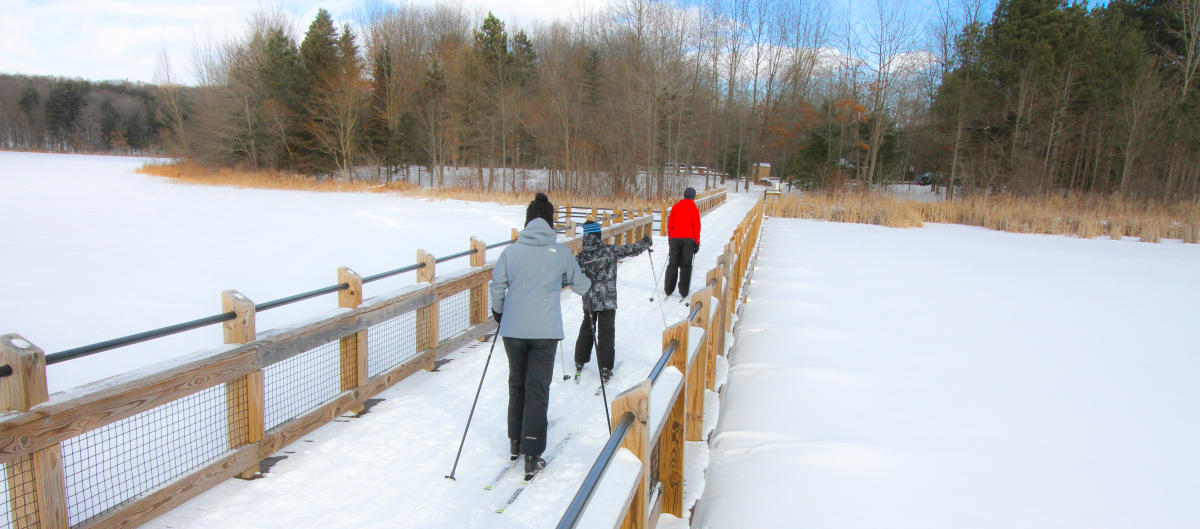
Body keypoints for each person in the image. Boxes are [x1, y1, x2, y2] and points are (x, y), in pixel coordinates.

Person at [490, 192, 591, 477]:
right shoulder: (559, 253)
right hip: (545, 332)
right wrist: (586, 282)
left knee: (516, 384)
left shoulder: (510, 252)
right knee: (537, 388)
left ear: (527, 221)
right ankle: (532, 451)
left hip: (513, 330)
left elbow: (497, 286)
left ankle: (515, 442)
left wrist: (499, 312)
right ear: (550, 222)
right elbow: (581, 285)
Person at [574, 220, 652, 383]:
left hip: (589, 299)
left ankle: (580, 359)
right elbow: (630, 249)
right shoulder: (609, 251)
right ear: (598, 235)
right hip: (607, 299)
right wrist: (644, 243)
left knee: (587, 328)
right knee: (606, 333)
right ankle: (605, 367)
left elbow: (571, 276)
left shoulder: (580, 257)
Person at [664, 187, 701, 299]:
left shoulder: (676, 207)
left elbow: (670, 224)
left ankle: (668, 289)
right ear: (693, 196)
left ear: (684, 195)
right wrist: (697, 242)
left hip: (675, 238)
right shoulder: (694, 208)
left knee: (673, 263)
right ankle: (684, 291)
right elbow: (697, 226)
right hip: (688, 239)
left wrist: (670, 238)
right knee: (686, 264)